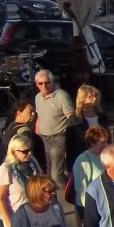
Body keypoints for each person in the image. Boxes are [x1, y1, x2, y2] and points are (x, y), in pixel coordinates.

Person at [33, 68, 75, 196]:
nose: (44, 86)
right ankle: (52, 197)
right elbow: (39, 116)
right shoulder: (38, 97)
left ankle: (74, 194)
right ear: (36, 84)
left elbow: (71, 117)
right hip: (44, 138)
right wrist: (37, 132)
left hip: (58, 137)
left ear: (52, 82)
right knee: (47, 173)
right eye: (40, 84)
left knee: (56, 175)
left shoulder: (61, 96)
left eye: (47, 83)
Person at [70, 125, 110, 227]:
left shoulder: (105, 156)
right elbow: (81, 188)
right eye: (102, 143)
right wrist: (89, 209)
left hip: (106, 203)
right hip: (92, 206)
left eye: (106, 142)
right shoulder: (83, 159)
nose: (105, 145)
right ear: (92, 143)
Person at [65, 83, 109, 165]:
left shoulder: (102, 116)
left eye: (95, 96)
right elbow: (69, 144)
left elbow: (108, 138)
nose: (94, 99)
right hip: (83, 157)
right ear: (82, 99)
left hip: (102, 155)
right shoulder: (75, 119)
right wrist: (70, 165)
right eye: (90, 97)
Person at [4, 100, 46, 168]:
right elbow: (27, 152)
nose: (33, 114)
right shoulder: (24, 131)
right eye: (30, 111)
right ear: (19, 113)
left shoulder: (8, 128)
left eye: (34, 112)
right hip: (26, 166)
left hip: (12, 164)